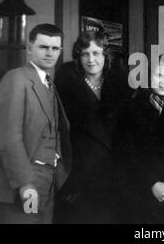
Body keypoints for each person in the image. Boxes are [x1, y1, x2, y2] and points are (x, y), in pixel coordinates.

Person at [0, 24, 71, 224]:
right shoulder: (16, 79)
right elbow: (9, 139)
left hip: (48, 179)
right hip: (25, 180)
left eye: (55, 48)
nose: (50, 53)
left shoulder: (48, 84)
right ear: (29, 48)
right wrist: (25, 184)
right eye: (43, 47)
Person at [54, 30, 129, 223]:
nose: (91, 59)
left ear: (105, 55)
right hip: (80, 174)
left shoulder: (119, 82)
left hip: (114, 173)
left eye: (96, 53)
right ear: (78, 57)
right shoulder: (66, 82)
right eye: (85, 54)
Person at [116, 54, 164, 223]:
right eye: (158, 75)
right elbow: (126, 152)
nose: (163, 82)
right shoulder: (132, 107)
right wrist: (152, 183)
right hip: (141, 189)